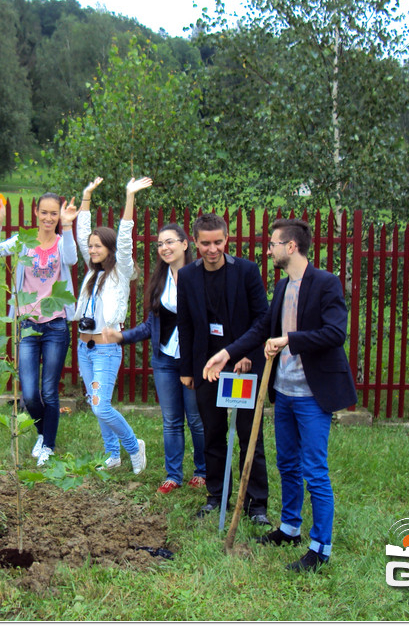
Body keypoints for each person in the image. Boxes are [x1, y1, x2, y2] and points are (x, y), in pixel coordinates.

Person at [212, 218, 357, 572]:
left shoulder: (325, 283)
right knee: (287, 463)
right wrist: (227, 353)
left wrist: (290, 339)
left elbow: (335, 333)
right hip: (284, 391)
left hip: (312, 395)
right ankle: (290, 528)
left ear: (291, 247)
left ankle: (320, 548)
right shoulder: (282, 286)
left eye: (273, 244)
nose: (269, 250)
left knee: (315, 470)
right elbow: (262, 328)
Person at [177, 213, 271, 524]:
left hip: (243, 366)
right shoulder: (187, 276)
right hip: (207, 367)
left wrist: (246, 354)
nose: (212, 249)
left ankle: (256, 504)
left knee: (248, 432)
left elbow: (262, 319)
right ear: (195, 242)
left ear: (227, 239)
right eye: (205, 243)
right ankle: (216, 496)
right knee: (213, 432)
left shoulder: (246, 271)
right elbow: (185, 324)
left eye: (218, 242)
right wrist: (187, 369)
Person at [101, 223, 207, 493]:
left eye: (170, 242)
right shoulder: (160, 280)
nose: (164, 248)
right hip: (165, 360)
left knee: (195, 419)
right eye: (160, 244)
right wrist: (122, 336)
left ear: (185, 244)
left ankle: (202, 471)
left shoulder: (200, 277)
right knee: (171, 421)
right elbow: (151, 326)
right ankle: (173, 475)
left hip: (192, 360)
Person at [0, 192, 79, 466]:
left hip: (56, 325)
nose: (49, 218)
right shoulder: (23, 242)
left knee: (49, 390)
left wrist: (68, 225)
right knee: (29, 394)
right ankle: (42, 432)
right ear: (36, 213)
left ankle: (48, 445)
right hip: (27, 325)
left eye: (54, 214)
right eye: (44, 212)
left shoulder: (61, 243)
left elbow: (72, 259)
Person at [74, 175, 151, 475]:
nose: (92, 250)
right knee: (96, 404)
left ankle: (134, 446)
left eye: (98, 246)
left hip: (106, 350)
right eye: (91, 247)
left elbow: (125, 240)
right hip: (84, 347)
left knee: (100, 406)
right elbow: (82, 233)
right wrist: (86, 196)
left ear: (109, 248)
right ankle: (112, 455)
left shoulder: (120, 271)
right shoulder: (92, 272)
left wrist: (130, 196)